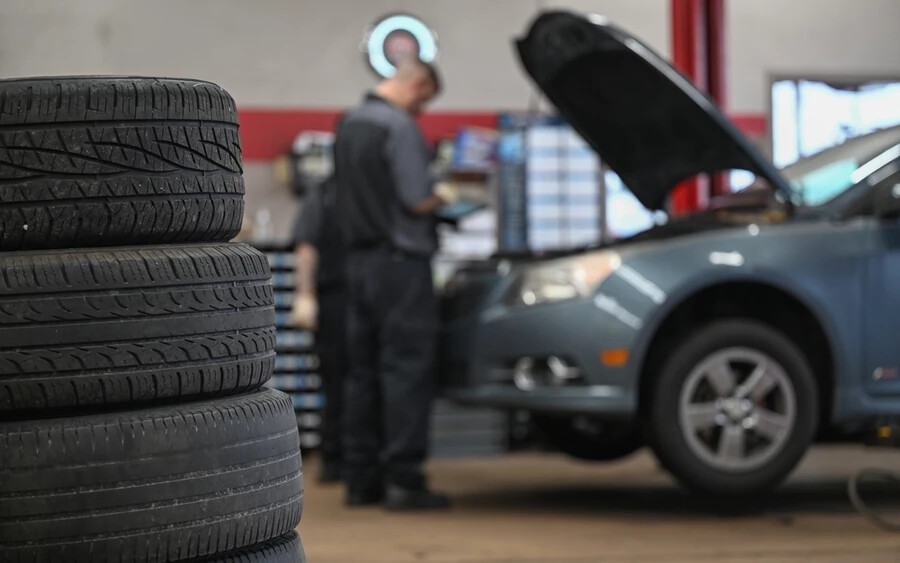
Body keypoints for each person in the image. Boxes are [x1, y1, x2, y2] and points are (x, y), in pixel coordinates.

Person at [333, 58, 458, 510]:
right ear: (417, 84)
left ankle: (360, 480)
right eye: (424, 99)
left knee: (362, 372)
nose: (421, 109)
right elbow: (416, 198)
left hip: (359, 265)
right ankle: (404, 480)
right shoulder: (399, 127)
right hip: (401, 267)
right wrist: (446, 195)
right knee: (406, 370)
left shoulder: (347, 125)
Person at [291, 174, 347, 483]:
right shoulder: (324, 192)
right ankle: (337, 458)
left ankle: (338, 459)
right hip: (336, 299)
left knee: (337, 382)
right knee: (341, 380)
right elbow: (306, 250)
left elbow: (305, 250)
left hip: (344, 299)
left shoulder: (325, 191)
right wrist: (306, 295)